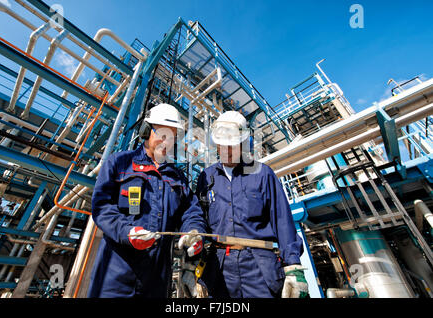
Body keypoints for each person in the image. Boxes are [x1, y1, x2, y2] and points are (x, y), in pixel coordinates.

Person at [88, 103, 207, 298]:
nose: (165, 141)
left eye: (172, 136)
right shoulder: (119, 163)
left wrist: (195, 232)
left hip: (157, 280)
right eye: (161, 132)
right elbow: (102, 207)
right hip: (115, 275)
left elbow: (191, 212)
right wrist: (126, 232)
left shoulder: (178, 178)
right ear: (147, 131)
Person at [195, 111, 308, 298]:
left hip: (259, 268)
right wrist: (194, 266)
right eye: (222, 146)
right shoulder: (206, 178)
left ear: (243, 143)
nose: (226, 151)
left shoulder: (263, 174)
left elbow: (283, 221)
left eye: (231, 146)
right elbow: (198, 219)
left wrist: (293, 267)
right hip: (220, 268)